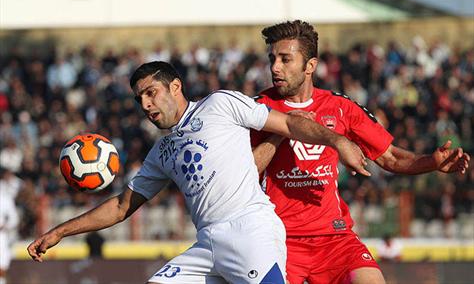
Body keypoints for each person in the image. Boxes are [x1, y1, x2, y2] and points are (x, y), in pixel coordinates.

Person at [27, 61, 370, 284]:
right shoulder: (161, 152)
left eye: (151, 93)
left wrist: (338, 141)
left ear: (175, 87)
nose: (145, 105)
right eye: (139, 99)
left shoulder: (219, 105)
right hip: (207, 243)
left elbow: (289, 123)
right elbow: (120, 207)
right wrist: (60, 231)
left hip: (248, 228)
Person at [250, 20, 470, 284]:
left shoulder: (341, 107)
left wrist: (430, 162)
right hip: (279, 239)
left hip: (335, 239)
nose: (275, 67)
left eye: (286, 59)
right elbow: (245, 170)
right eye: (272, 59)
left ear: (310, 66)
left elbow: (389, 157)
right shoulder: (257, 109)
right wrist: (287, 128)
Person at [0, 168, 20, 284]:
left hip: (1, 237)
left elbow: (14, 219)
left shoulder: (4, 199)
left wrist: (4, 226)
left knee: (1, 267)